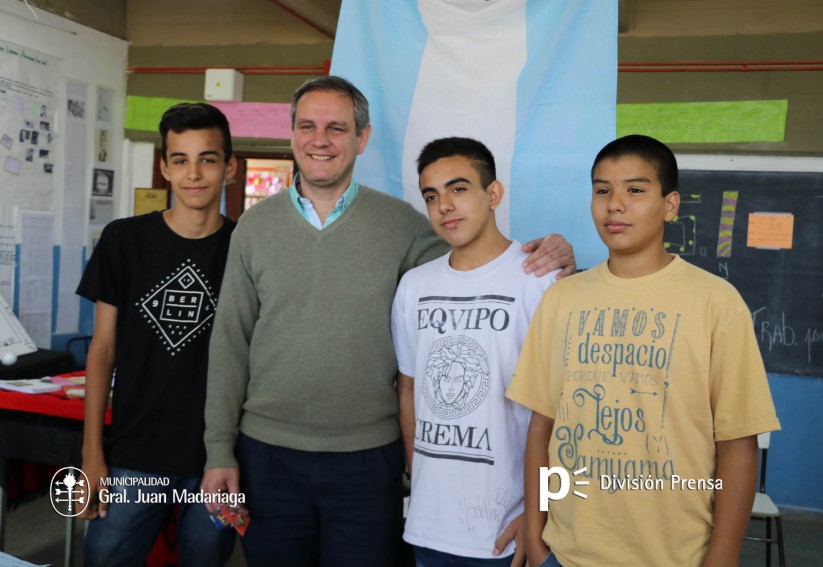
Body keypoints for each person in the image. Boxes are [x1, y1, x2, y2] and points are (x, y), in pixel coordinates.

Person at [201, 75, 575, 567]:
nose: (320, 140)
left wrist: (563, 258)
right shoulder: (255, 227)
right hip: (267, 454)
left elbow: (481, 261)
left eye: (337, 128)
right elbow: (229, 343)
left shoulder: (405, 225)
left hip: (368, 460)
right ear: (291, 134)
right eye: (307, 126)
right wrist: (219, 451)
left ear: (362, 138)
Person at [507, 134, 782, 567]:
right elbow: (543, 427)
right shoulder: (563, 299)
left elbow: (737, 445)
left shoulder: (715, 302)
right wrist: (540, 536)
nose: (615, 204)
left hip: (674, 556)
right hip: (567, 553)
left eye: (635, 190)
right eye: (602, 190)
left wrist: (723, 558)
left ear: (670, 205)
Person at [76, 102, 237, 566]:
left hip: (217, 458)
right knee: (105, 559)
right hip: (134, 454)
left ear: (228, 167)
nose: (194, 174)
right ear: (165, 167)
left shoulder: (246, 250)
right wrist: (92, 454)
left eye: (207, 159)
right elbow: (102, 350)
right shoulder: (124, 240)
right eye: (180, 160)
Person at [392, 137, 557, 567]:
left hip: (507, 530)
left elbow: (562, 413)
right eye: (432, 195)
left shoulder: (538, 280)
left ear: (494, 194)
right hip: (428, 525)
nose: (444, 205)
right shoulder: (415, 286)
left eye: (458, 188)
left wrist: (540, 513)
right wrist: (421, 478)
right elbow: (408, 389)